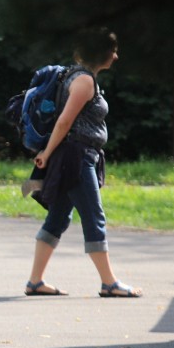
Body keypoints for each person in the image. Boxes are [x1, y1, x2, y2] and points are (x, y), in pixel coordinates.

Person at [24, 28, 142, 298]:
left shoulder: (79, 76)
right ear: (101, 52)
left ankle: (35, 281)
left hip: (74, 155)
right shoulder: (84, 81)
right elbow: (65, 121)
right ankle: (109, 282)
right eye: (112, 50)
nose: (116, 55)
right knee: (93, 215)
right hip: (76, 158)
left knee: (58, 217)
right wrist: (47, 152)